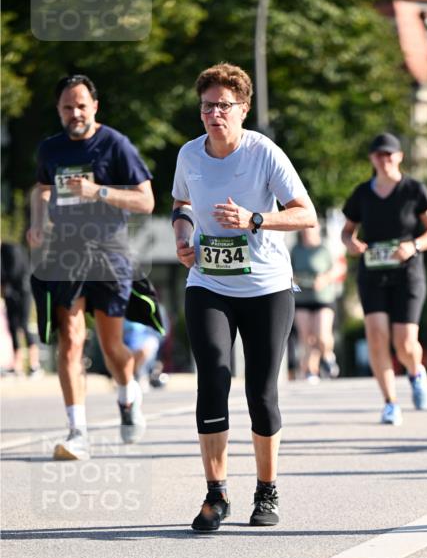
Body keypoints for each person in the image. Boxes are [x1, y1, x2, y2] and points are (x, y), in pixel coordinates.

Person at [171, 62, 316, 531]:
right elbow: (181, 203)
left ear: (243, 109)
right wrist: (183, 235)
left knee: (260, 390)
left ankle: (266, 489)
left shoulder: (263, 153)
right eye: (207, 106)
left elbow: (305, 214)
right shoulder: (189, 155)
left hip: (265, 287)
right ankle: (216, 495)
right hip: (208, 282)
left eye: (224, 106)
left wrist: (255, 219)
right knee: (213, 376)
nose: (214, 114)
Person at [27, 73, 155, 460]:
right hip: (66, 254)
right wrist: (37, 221)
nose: (75, 113)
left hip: (109, 253)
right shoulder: (50, 149)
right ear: (59, 110)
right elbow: (42, 189)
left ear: (95, 106)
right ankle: (77, 431)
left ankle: (128, 393)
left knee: (112, 346)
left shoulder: (116, 144)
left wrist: (97, 191)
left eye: (82, 106)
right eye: (68, 107)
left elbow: (146, 201)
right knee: (70, 339)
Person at [341, 133, 427, 425]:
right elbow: (347, 231)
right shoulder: (362, 193)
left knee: (405, 342)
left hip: (408, 273)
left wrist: (414, 246)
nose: (384, 160)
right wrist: (350, 243)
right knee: (376, 337)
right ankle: (390, 402)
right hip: (372, 273)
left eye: (389, 154)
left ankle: (416, 372)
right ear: (372, 159)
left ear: (399, 156)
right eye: (378, 155)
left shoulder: (414, 190)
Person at [291, 221, 343, 381]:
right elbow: (289, 271)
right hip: (302, 298)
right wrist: (294, 280)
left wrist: (325, 278)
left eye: (311, 229)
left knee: (322, 335)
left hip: (323, 298)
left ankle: (327, 356)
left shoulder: (325, 248)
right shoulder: (295, 250)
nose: (307, 232)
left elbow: (340, 267)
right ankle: (310, 371)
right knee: (306, 336)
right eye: (305, 229)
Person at [0, 241, 41, 377]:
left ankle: (35, 365)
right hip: (10, 294)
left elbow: (15, 271)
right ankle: (16, 366)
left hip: (23, 292)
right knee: (13, 327)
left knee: (24, 325)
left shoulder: (11, 249)